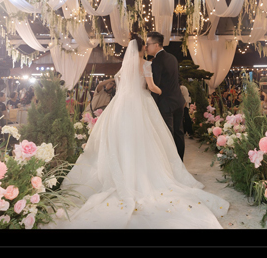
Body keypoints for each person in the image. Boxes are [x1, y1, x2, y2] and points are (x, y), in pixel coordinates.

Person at [43, 32, 228, 229]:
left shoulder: (125, 66)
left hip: (121, 106)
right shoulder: (148, 64)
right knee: (150, 138)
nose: (147, 47)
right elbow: (152, 86)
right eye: (145, 45)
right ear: (142, 49)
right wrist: (163, 92)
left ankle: (124, 169)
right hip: (143, 102)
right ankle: (151, 170)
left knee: (124, 139)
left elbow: (120, 82)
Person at [146, 31, 187, 161]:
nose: (146, 47)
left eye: (148, 44)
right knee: (179, 133)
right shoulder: (172, 58)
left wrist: (152, 106)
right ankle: (180, 162)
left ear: (156, 45)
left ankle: (172, 164)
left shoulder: (157, 61)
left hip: (166, 104)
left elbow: (156, 86)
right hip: (178, 101)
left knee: (167, 135)